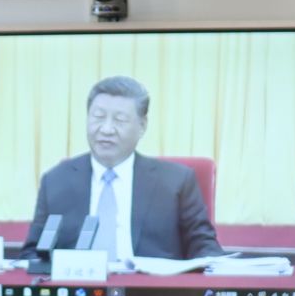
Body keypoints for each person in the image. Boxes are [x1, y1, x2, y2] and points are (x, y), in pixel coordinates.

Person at [18, 76, 220, 265]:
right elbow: (32, 254)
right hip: (78, 288)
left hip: (150, 289)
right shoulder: (56, 181)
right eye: (98, 117)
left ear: (142, 126)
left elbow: (204, 247)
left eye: (120, 120)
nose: (106, 129)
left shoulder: (176, 181)